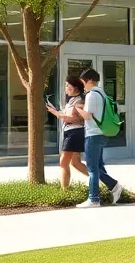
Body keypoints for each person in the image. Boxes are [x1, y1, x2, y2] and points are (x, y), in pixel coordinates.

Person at [73, 68, 123, 208]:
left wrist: (77, 108)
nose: (83, 85)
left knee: (92, 168)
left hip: (93, 134)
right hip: (101, 133)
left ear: (89, 80)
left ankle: (94, 198)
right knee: (98, 166)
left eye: (83, 82)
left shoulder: (91, 95)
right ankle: (112, 189)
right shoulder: (102, 93)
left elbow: (88, 116)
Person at [46, 76, 89, 189]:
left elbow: (73, 118)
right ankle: (100, 182)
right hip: (71, 132)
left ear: (75, 88)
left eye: (67, 85)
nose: (65, 88)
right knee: (76, 163)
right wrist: (56, 111)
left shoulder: (79, 101)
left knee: (64, 162)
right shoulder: (72, 100)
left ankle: (64, 191)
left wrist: (56, 113)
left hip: (74, 133)